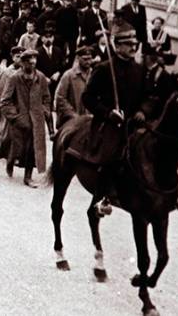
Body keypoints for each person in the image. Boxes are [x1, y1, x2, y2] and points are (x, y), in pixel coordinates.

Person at [79, 19, 147, 216]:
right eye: (128, 44)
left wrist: (143, 110)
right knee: (111, 156)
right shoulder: (103, 68)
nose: (133, 48)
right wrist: (108, 113)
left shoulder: (140, 70)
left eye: (135, 45)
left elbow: (148, 96)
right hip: (109, 124)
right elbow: (87, 98)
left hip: (134, 123)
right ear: (117, 46)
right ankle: (102, 198)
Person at [0, 49, 52, 187]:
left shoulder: (41, 78)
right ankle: (10, 161)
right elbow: (5, 100)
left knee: (33, 149)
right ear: (23, 63)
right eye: (29, 63)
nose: (32, 66)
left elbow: (46, 98)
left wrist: (44, 111)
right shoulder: (15, 78)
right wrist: (15, 117)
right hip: (19, 120)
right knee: (18, 147)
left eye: (34, 63)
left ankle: (28, 177)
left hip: (37, 120)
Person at [54, 46, 93, 129]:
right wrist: (72, 114)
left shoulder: (94, 75)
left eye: (90, 59)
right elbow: (60, 98)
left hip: (91, 119)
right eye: (85, 59)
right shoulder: (68, 75)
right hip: (72, 120)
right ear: (78, 58)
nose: (88, 62)